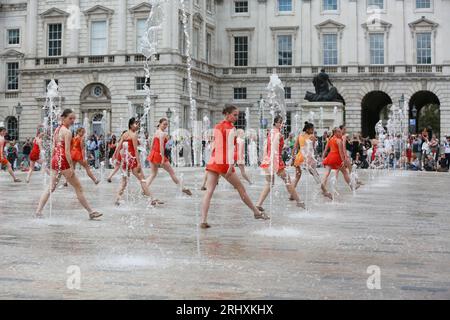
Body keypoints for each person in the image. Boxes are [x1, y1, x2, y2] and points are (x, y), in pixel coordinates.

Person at [200, 105, 269, 229]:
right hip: (225, 162)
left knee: (209, 191)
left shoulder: (217, 126)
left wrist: (213, 160)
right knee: (241, 188)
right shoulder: (231, 128)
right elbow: (231, 149)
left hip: (215, 160)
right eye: (235, 115)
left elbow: (214, 146)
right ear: (227, 114)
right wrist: (231, 165)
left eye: (237, 115)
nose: (237, 117)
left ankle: (203, 220)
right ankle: (256, 212)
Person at [35, 109, 101, 219]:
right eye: (70, 118)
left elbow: (53, 147)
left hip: (55, 159)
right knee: (78, 187)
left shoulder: (56, 130)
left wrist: (51, 162)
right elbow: (66, 151)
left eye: (73, 118)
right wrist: (71, 167)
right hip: (63, 160)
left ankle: (38, 211)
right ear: (63, 118)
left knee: (50, 187)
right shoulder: (67, 132)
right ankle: (91, 212)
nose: (72, 120)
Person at [256, 115, 305, 211]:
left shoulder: (270, 133)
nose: (282, 125)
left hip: (268, 160)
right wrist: (274, 162)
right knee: (287, 180)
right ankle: (299, 201)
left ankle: (258, 204)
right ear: (276, 123)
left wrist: (265, 160)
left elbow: (266, 147)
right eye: (281, 123)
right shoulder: (278, 134)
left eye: (283, 123)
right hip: (275, 161)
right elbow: (274, 149)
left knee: (270, 183)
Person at [114, 118, 163, 206]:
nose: (138, 126)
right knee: (142, 180)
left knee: (124, 182)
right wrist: (139, 163)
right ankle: (151, 199)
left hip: (126, 159)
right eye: (136, 124)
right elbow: (136, 150)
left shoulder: (125, 134)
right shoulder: (134, 134)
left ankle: (118, 198)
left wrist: (115, 156)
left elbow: (119, 146)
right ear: (131, 125)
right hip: (132, 159)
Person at [145, 118, 192, 195]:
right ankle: (183, 188)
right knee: (172, 172)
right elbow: (161, 147)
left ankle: (144, 188)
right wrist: (163, 158)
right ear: (160, 124)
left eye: (167, 124)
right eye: (164, 124)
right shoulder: (163, 134)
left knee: (153, 174)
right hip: (159, 155)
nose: (165, 126)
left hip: (153, 154)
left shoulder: (156, 132)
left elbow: (151, 144)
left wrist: (151, 154)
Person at [321, 127, 354, 199]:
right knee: (345, 173)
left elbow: (326, 149)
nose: (341, 133)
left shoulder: (330, 139)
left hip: (329, 157)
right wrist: (343, 161)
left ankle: (323, 185)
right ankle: (352, 187)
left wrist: (323, 157)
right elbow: (341, 152)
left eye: (340, 131)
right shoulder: (339, 140)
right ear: (335, 132)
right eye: (339, 132)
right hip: (337, 158)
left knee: (326, 173)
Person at [292, 121, 320, 190]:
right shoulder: (312, 136)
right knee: (315, 174)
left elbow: (295, 147)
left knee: (297, 176)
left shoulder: (300, 135)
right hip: (306, 157)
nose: (313, 131)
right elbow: (312, 149)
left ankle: (292, 193)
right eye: (312, 129)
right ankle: (323, 190)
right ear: (307, 129)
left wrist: (293, 156)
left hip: (299, 157)